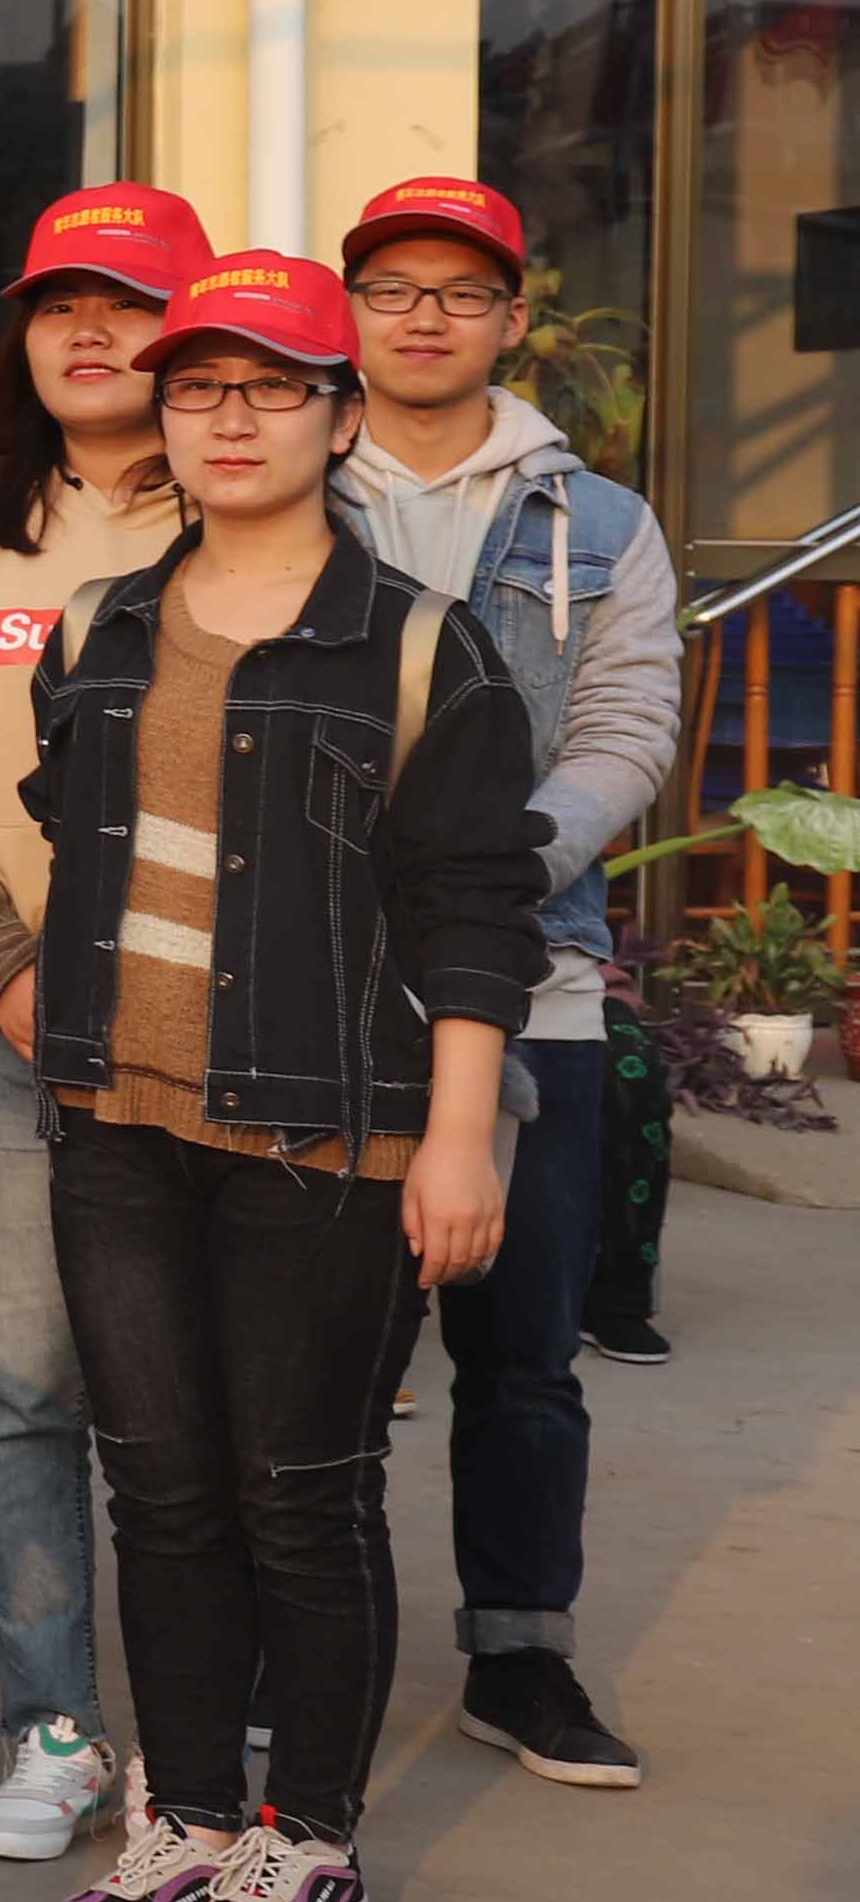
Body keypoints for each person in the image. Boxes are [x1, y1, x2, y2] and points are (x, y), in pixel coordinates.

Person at [26, 253, 545, 1902]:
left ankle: (308, 1844)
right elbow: (77, 836)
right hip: (118, 1121)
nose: (229, 419)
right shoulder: (101, 627)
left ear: (338, 418)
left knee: (299, 1494)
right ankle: (182, 1819)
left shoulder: (420, 642)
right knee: (161, 1490)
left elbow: (476, 908)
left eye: (270, 388)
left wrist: (456, 1136)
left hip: (331, 1139)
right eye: (197, 388)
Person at [333, 173, 681, 1781]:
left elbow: (628, 733)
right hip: (318, 992)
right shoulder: (286, 482)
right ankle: (296, 1667)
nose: (426, 316)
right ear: (352, 310)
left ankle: (520, 1658)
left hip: (536, 982)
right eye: (394, 287)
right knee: (316, 1367)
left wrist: (485, 874)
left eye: (461, 291)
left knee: (524, 1360)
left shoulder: (600, 526)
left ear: (514, 319)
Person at [0, 179, 204, 1862]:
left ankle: (204, 1736)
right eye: (58, 302)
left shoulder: (254, 518)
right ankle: (54, 1728)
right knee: (15, 1386)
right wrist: (2, 972)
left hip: (211, 1039)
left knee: (196, 1393)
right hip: (6, 1025)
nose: (89, 330)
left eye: (128, 303)